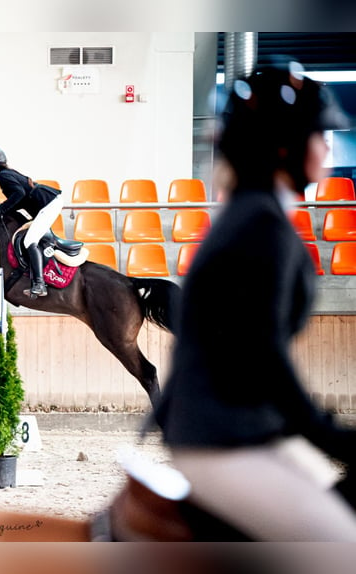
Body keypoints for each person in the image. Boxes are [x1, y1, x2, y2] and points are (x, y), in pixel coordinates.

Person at [151, 60, 356, 540]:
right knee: (344, 549)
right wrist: (331, 434)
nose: (327, 147)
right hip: (224, 439)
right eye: (317, 135)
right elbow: (263, 358)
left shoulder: (252, 215)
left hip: (244, 426)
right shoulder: (261, 227)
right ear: (280, 146)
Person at [0, 147, 63, 298]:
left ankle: (40, 284)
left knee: (30, 240)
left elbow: (19, 194)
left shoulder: (3, 176)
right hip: (48, 202)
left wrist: (1, 209)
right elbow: (19, 199)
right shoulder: (5, 175)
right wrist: (3, 210)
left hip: (49, 203)